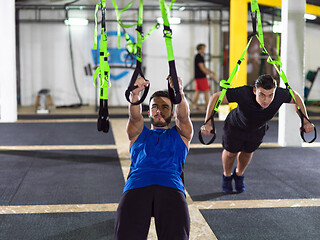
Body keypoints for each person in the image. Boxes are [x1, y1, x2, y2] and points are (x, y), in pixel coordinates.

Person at [201, 74, 314, 194]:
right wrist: (208, 122)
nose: (266, 100)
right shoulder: (244, 93)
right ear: (255, 90)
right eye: (262, 95)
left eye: (270, 95)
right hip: (235, 126)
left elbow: (295, 97)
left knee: (247, 153)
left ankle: (239, 174)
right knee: (230, 153)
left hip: (257, 129)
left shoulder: (280, 94)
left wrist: (305, 120)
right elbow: (215, 97)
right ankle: (227, 176)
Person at [114, 76, 193, 240]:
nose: (158, 111)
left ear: (172, 112)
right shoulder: (138, 133)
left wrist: (180, 93)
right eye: (154, 107)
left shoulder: (181, 134)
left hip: (171, 187)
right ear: (148, 111)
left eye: (164, 107)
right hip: (136, 187)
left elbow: (183, 117)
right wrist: (135, 96)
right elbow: (135, 117)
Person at [193, 43, 216, 111]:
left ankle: (195, 106)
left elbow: (204, 67)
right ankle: (207, 106)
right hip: (201, 77)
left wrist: (210, 71)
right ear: (200, 49)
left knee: (198, 91)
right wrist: (210, 75)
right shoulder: (199, 57)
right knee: (206, 91)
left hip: (198, 77)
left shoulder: (198, 56)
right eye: (203, 48)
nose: (204, 50)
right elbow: (202, 68)